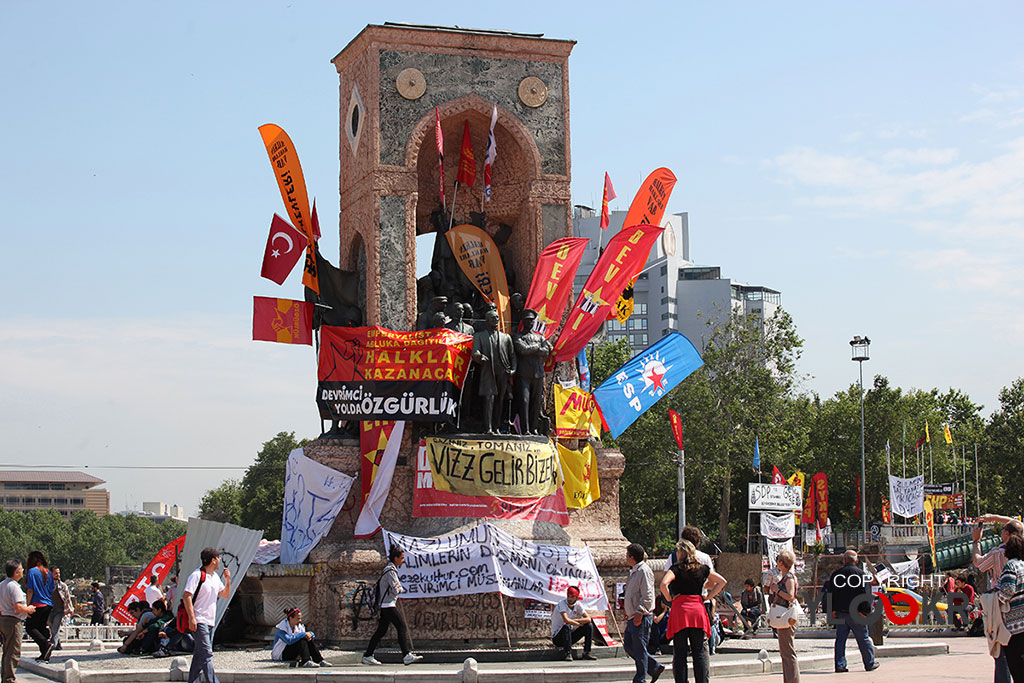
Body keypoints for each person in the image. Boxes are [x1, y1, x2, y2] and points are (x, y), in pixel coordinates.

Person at [661, 539, 727, 683]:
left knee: (680, 652)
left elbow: (664, 584)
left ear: (681, 553)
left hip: (680, 610)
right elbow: (722, 581)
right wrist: (709, 596)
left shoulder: (676, 569)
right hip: (697, 609)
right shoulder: (702, 569)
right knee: (699, 652)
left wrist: (670, 598)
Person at [974, 514, 1024, 683]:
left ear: (1007, 536)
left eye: (1003, 531)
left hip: (1006, 613)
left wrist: (976, 542)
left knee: (1002, 651)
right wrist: (995, 518)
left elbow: (979, 564)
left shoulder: (1000, 555)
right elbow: (1018, 526)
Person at [362, 547, 422, 666]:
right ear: (396, 558)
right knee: (401, 627)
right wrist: (400, 588)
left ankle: (368, 655)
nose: (403, 561)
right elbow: (395, 589)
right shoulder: (390, 571)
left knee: (381, 631)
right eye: (402, 558)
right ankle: (406, 655)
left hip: (386, 604)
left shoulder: (389, 569)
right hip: (388, 605)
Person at [825, 549, 879, 673]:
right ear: (856, 561)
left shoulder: (836, 574)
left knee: (840, 640)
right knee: (863, 639)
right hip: (857, 613)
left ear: (844, 560)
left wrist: (832, 610)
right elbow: (865, 594)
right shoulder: (861, 574)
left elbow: (831, 594)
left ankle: (840, 665)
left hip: (841, 613)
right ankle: (869, 663)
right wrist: (865, 612)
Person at [182, 547, 231, 683]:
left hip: (210, 621)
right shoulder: (196, 575)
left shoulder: (215, 577)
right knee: (207, 655)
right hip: (199, 620)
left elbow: (225, 594)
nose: (220, 560)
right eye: (218, 558)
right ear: (213, 560)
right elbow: (186, 596)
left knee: (200, 655)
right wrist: (192, 618)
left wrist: (228, 580)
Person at [623, 543, 664, 683]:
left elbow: (648, 594)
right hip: (633, 614)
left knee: (639, 647)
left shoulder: (644, 571)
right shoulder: (634, 570)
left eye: (627, 554)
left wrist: (641, 611)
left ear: (632, 556)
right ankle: (654, 667)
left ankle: (641, 678)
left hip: (640, 615)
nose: (625, 557)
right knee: (629, 645)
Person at [471, 308, 517, 434]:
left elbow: (512, 356)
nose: (496, 320)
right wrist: (480, 357)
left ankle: (496, 426)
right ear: (487, 320)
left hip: (502, 372)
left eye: (497, 317)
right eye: (493, 317)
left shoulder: (506, 337)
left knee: (500, 400)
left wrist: (513, 370)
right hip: (487, 371)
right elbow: (475, 352)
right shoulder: (479, 336)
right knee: (489, 399)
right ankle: (488, 427)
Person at [512, 308, 552, 435]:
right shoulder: (518, 336)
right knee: (524, 401)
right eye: (527, 320)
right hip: (523, 375)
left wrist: (533, 349)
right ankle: (525, 429)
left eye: (531, 320)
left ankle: (534, 428)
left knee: (536, 403)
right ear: (523, 321)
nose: (529, 322)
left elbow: (546, 351)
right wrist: (536, 349)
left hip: (537, 374)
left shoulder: (540, 337)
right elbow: (522, 350)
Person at [1, 560, 36, 683]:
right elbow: (18, 607)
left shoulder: (2, 584)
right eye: (21, 569)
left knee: (6, 650)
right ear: (16, 572)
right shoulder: (14, 587)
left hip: (4, 619)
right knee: (13, 651)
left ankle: (5, 677)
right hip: (14, 621)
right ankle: (9, 679)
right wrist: (29, 609)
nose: (23, 571)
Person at [769, 549, 801, 683]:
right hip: (783, 615)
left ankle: (792, 680)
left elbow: (791, 596)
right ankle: (789, 679)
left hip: (785, 615)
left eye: (778, 560)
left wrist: (777, 590)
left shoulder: (789, 578)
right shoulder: (787, 576)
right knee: (785, 651)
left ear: (781, 562)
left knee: (788, 651)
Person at [997, 533, 1024, 681]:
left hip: (1015, 624)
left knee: (1017, 666)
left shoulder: (1011, 566)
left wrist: (998, 598)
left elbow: (1007, 591)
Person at [24, 550, 54, 662]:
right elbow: (52, 589)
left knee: (30, 627)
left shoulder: (32, 571)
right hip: (48, 604)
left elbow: (30, 590)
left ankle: (46, 645)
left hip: (37, 603)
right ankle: (45, 653)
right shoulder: (48, 572)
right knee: (41, 628)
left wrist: (27, 606)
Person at [550, 585, 595, 661]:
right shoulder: (562, 604)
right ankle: (567, 653)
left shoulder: (578, 605)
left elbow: (588, 619)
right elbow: (566, 620)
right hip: (558, 637)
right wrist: (577, 624)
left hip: (569, 636)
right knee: (566, 626)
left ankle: (587, 652)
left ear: (576, 598)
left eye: (572, 597)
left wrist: (577, 621)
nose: (570, 599)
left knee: (589, 626)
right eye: (568, 596)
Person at [47, 568, 73, 652]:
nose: (58, 575)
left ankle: (52, 645)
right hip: (49, 609)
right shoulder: (46, 585)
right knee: (51, 625)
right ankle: (58, 644)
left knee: (55, 627)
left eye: (58, 573)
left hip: (59, 610)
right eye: (56, 573)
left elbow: (68, 598)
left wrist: (70, 608)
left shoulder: (62, 586)